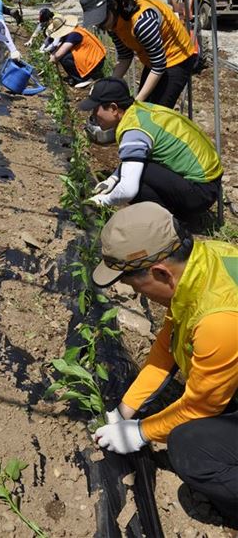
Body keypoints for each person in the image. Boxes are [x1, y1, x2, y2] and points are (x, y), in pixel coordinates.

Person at [91, 202, 238, 527]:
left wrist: (141, 432)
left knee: (191, 449)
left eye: (132, 284)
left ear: (159, 273)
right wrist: (126, 409)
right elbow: (169, 343)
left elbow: (201, 406)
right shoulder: (205, 259)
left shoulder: (220, 319)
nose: (133, 291)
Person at [80, 78, 222, 220]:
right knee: (136, 168)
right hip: (210, 184)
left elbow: (128, 190)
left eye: (95, 109)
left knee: (138, 178)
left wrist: (102, 201)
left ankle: (171, 220)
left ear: (113, 108)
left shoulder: (133, 131)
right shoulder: (138, 111)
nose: (93, 115)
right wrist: (113, 179)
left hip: (199, 194)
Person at [80, 0, 197, 108]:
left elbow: (159, 65)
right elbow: (125, 56)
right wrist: (107, 86)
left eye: (102, 19)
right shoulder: (112, 23)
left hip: (178, 58)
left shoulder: (142, 22)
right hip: (154, 60)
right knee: (145, 107)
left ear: (113, 5)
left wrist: (137, 102)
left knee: (156, 111)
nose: (101, 25)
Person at [46, 13, 107, 88]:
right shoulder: (74, 30)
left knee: (65, 58)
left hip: (95, 61)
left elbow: (59, 53)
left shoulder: (73, 35)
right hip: (96, 57)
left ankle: (84, 79)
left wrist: (48, 64)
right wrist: (52, 55)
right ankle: (80, 76)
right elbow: (60, 47)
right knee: (64, 55)